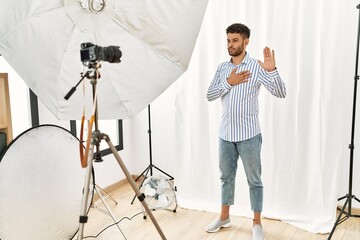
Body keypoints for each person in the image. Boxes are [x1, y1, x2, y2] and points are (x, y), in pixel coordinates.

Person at [205, 23, 286, 240]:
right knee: (226, 177)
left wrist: (272, 70)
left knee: (254, 181)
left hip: (250, 135)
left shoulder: (256, 66)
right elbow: (210, 94)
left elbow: (281, 92)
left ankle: (257, 223)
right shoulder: (223, 68)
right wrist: (228, 82)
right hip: (225, 135)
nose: (230, 45)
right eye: (228, 40)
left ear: (246, 41)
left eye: (235, 40)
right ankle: (224, 217)